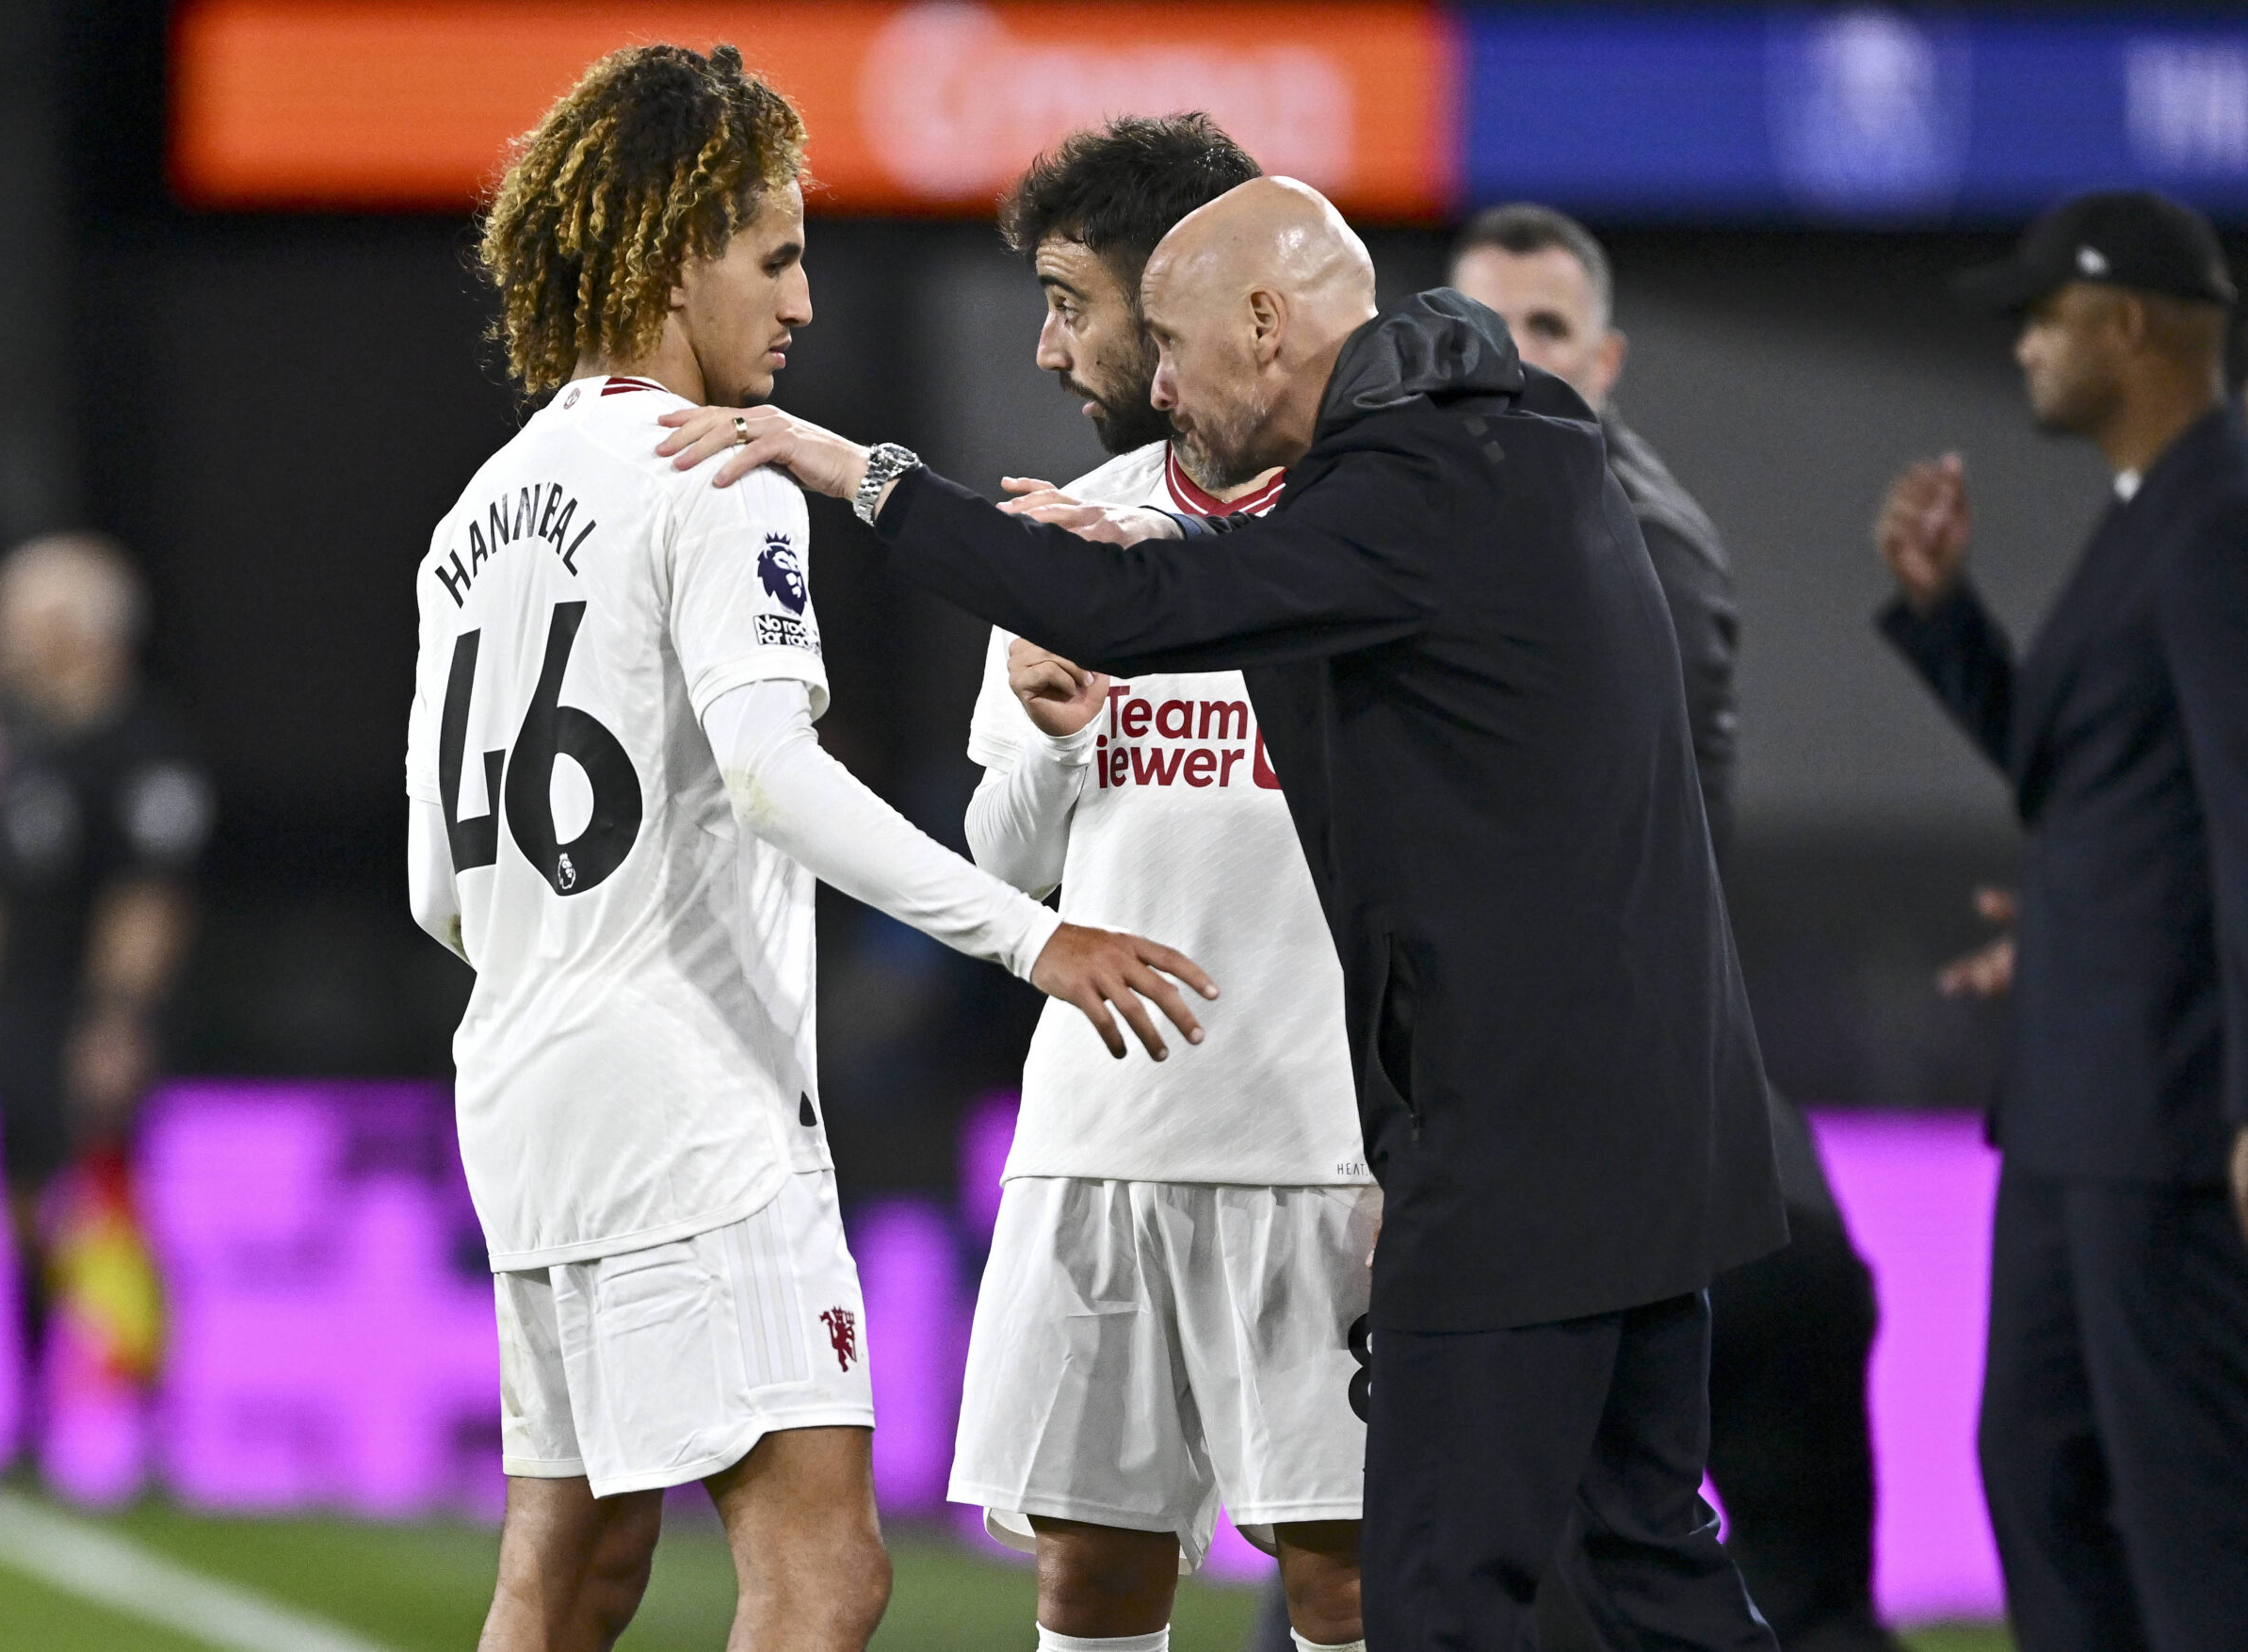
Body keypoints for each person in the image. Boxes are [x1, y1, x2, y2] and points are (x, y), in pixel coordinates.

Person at [659, 175, 1787, 1652]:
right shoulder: (1515, 447)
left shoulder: (1407, 490)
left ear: (1271, 321)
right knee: (1652, 1565)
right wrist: (1151, 566)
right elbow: (1290, 600)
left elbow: (1167, 616)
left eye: (1175, 345)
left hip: (1516, 1158)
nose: (1162, 389)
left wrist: (860, 475)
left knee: (1437, 1599)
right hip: (1646, 1139)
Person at [408, 45, 1213, 1652]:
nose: (804, 305)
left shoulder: (476, 513)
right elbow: (775, 776)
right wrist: (1025, 931)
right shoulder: (724, 474)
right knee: (822, 1575)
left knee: (566, 1573)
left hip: (518, 1079)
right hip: (689, 1108)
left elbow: (441, 887)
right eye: (774, 255)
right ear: (666, 253)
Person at [1450, 205, 1901, 1652]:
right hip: (1721, 1155)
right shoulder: (1528, 517)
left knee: (1485, 1564)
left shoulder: (1621, 542)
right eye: (1480, 333)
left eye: (1549, 332)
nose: (1512, 363)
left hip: (1644, 1162)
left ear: (1611, 356)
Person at [957, 118, 1371, 1652]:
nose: (1052, 344)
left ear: (1180, 295)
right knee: (1090, 1573)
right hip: (1100, 1138)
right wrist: (1058, 735)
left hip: (1320, 1141)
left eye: (1074, 301)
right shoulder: (1067, 534)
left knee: (1342, 1570)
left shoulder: (1368, 524)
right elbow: (1003, 873)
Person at [1871, 189, 2248, 1652]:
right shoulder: (2156, 512)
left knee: (2185, 1506)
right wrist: (1950, 618)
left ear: (2128, 324)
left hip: (2157, 1115)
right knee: (2039, 1472)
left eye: (2043, 314)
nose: (2022, 342)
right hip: (2075, 1101)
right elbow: (2095, 776)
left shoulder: (2218, 517)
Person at [0, 532, 208, 1433]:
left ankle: (145, 1413)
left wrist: (117, 1019)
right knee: (21, 1210)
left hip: (91, 1013)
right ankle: (26, 1413)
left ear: (78, 629)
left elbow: (150, 900)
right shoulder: (21, 751)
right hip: (21, 1015)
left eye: (20, 621)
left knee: (106, 1210)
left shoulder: (147, 750)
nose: (2, 641)